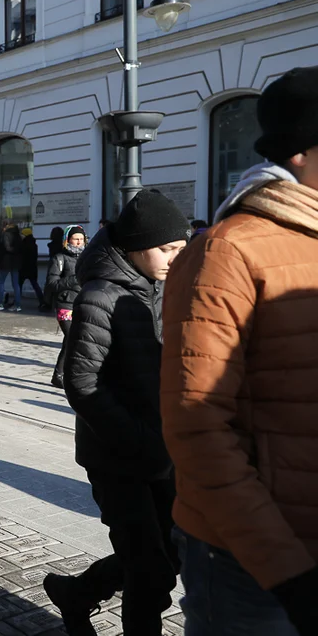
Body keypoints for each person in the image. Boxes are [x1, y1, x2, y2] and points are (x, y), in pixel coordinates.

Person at [160, 66, 318, 636]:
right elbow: (198, 427)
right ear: (300, 151)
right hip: (255, 561)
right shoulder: (228, 251)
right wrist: (285, 570)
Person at [45, 190, 191, 636]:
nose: (174, 259)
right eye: (167, 249)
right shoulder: (99, 296)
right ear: (134, 246)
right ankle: (80, 597)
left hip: (160, 452)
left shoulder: (160, 288)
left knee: (168, 556)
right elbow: (83, 383)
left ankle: (78, 593)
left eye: (181, 250)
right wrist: (141, 441)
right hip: (117, 458)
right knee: (150, 572)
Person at [45, 225, 85, 389]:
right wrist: (73, 280)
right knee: (71, 338)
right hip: (65, 304)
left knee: (74, 340)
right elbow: (51, 283)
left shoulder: (86, 257)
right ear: (67, 240)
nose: (79, 242)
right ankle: (60, 374)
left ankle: (63, 374)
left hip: (82, 303)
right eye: (75, 239)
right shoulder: (59, 258)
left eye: (81, 239)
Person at [0, 223, 23, 311]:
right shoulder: (19, 236)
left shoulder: (6, 235)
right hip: (16, 262)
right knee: (16, 284)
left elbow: (7, 247)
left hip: (6, 261)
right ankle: (17, 305)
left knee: (0, 281)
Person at [18, 227, 47, 311]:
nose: (21, 236)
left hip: (24, 268)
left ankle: (17, 302)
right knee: (35, 285)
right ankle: (42, 301)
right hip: (32, 268)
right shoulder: (34, 244)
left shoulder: (23, 245)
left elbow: (22, 257)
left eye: (22, 234)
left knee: (19, 286)